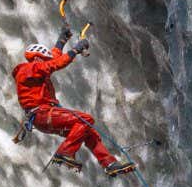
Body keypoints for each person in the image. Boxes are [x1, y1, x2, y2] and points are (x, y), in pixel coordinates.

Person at [11, 26, 136, 176]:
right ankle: (64, 153)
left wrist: (61, 41)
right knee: (85, 119)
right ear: (37, 58)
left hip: (44, 118)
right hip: (43, 115)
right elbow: (53, 64)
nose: (46, 61)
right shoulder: (27, 69)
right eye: (44, 59)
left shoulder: (35, 68)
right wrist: (75, 50)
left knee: (88, 131)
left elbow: (53, 59)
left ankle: (109, 164)